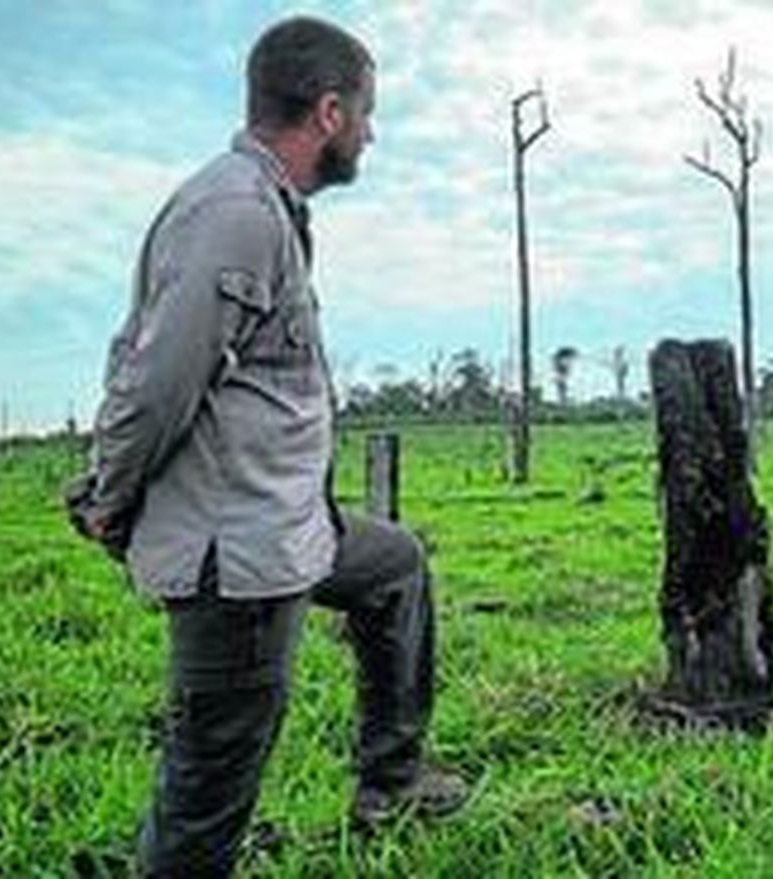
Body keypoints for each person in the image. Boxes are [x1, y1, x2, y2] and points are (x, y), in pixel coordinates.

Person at [67, 16, 466, 876]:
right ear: (328, 113)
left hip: (282, 526)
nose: (371, 132)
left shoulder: (262, 209)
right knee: (207, 795)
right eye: (366, 113)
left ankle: (390, 781)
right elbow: (156, 380)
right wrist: (106, 497)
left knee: (395, 567)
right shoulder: (236, 212)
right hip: (238, 557)